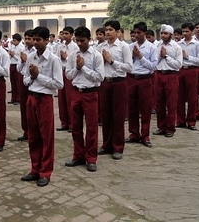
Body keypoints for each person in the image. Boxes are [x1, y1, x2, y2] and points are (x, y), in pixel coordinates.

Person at [20, 26, 63, 187]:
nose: (36, 43)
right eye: (34, 39)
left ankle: (45, 172)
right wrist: (32, 77)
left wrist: (39, 76)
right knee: (33, 136)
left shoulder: (53, 59)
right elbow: (25, 79)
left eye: (39, 40)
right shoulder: (31, 57)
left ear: (46, 40)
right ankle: (35, 168)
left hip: (45, 99)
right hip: (31, 97)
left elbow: (58, 84)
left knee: (46, 137)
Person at [64, 26, 104, 172]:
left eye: (83, 40)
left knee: (92, 127)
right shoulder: (72, 54)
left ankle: (91, 158)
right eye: (77, 40)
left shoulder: (96, 55)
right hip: (76, 92)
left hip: (91, 93)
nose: (79, 43)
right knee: (75, 127)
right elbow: (68, 75)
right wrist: (77, 68)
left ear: (89, 40)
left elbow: (100, 77)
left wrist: (84, 68)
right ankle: (78, 155)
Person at [97, 20, 132, 160]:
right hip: (105, 82)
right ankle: (106, 145)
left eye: (111, 29)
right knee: (106, 115)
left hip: (118, 82)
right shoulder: (100, 47)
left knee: (118, 115)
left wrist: (112, 61)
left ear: (117, 32)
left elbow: (129, 67)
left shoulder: (123, 47)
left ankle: (118, 147)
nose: (107, 32)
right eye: (106, 29)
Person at [126, 22, 158, 148]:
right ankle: (134, 133)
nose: (136, 35)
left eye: (139, 33)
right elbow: (128, 63)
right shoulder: (130, 47)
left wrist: (140, 57)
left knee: (145, 108)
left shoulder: (151, 48)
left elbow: (153, 66)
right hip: (132, 78)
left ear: (145, 33)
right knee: (132, 108)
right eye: (135, 33)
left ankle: (145, 135)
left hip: (145, 79)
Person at [153, 24, 183, 138]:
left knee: (171, 103)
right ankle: (161, 126)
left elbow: (178, 65)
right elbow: (154, 60)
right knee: (159, 103)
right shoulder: (157, 45)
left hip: (171, 75)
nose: (163, 35)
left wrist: (166, 57)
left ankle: (170, 128)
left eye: (166, 33)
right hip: (159, 74)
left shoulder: (176, 47)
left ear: (171, 34)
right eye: (162, 33)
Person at [176, 23, 199, 130]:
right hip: (180, 70)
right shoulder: (179, 44)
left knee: (192, 97)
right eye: (183, 31)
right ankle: (180, 120)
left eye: (187, 31)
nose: (184, 33)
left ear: (192, 32)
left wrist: (187, 57)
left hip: (192, 71)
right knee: (179, 97)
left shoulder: (197, 45)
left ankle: (191, 121)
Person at [55, 26, 78, 132]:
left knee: (70, 98)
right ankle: (64, 122)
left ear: (72, 35)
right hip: (61, 72)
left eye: (67, 33)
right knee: (61, 98)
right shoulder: (60, 46)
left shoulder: (75, 47)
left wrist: (66, 58)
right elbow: (56, 59)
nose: (64, 35)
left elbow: (75, 61)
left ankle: (71, 123)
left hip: (70, 73)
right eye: (63, 33)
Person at [16, 29, 35, 141]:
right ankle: (26, 130)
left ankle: (33, 131)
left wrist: (27, 60)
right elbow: (19, 68)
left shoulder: (35, 52)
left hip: (33, 80)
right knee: (23, 106)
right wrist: (23, 61)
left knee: (32, 107)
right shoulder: (23, 51)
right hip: (24, 79)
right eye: (26, 38)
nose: (27, 41)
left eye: (29, 38)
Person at [8, 33, 23, 105]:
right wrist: (10, 55)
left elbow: (20, 59)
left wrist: (13, 55)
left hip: (17, 65)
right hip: (12, 64)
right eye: (13, 40)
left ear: (18, 41)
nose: (13, 42)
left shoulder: (21, 48)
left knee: (17, 83)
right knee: (12, 82)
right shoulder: (12, 47)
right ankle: (13, 98)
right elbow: (9, 57)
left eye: (14, 40)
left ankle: (18, 98)